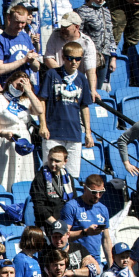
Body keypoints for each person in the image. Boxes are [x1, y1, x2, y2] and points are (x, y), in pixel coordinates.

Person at [38, 41, 94, 180]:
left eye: (78, 59)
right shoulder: (52, 74)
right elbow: (42, 100)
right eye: (70, 58)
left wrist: (88, 132)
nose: (74, 62)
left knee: (72, 176)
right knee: (49, 173)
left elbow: (84, 106)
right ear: (63, 57)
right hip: (53, 132)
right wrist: (43, 125)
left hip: (74, 133)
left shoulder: (82, 79)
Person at [0, 71, 40, 192]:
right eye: (18, 84)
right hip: (2, 143)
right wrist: (3, 133)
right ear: (10, 82)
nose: (20, 87)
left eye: (23, 85)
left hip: (23, 145)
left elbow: (39, 111)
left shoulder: (26, 101)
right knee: (3, 178)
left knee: (23, 176)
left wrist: (29, 91)